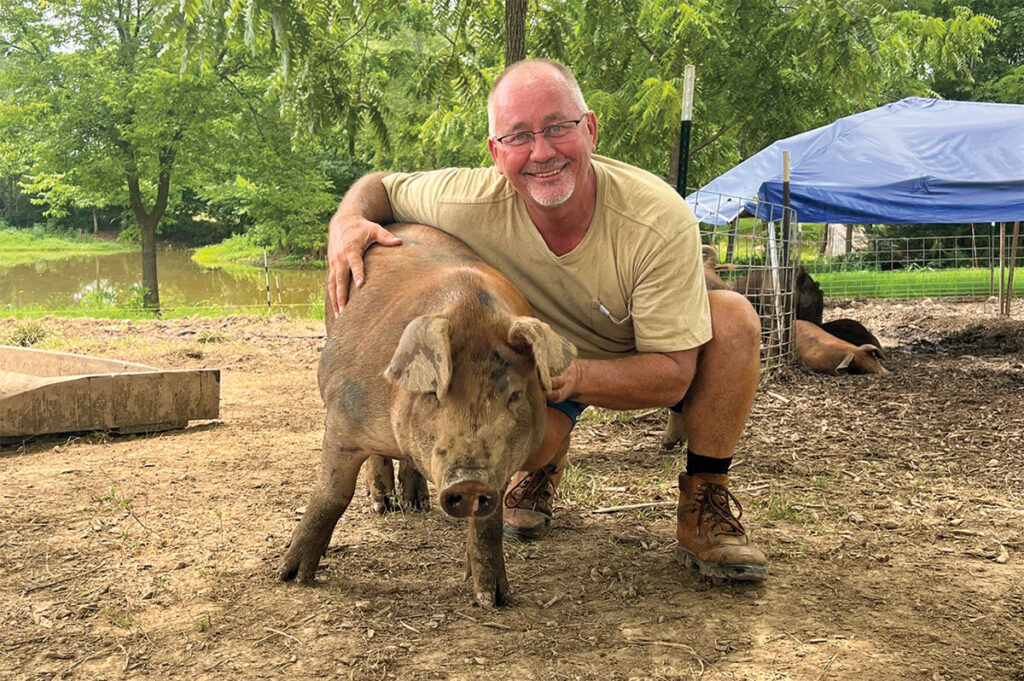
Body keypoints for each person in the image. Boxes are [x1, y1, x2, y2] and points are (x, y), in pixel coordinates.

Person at [326, 59, 767, 581]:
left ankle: (706, 501)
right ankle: (542, 471)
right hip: (531, 355)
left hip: (629, 351)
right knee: (530, 448)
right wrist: (348, 220)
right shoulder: (468, 198)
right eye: (518, 136)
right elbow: (381, 186)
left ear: (591, 129)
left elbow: (673, 373)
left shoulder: (657, 217)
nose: (541, 152)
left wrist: (574, 377)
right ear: (496, 153)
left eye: (559, 127)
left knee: (734, 317)